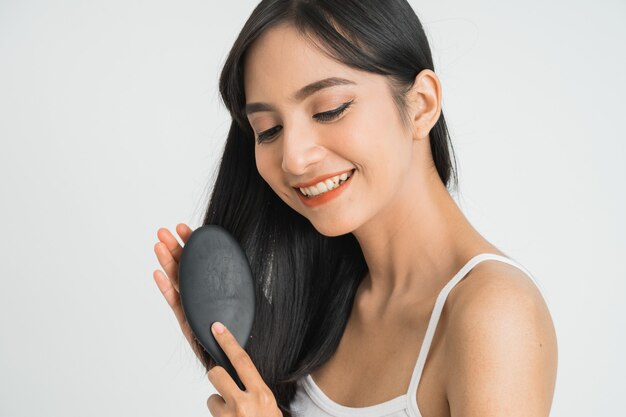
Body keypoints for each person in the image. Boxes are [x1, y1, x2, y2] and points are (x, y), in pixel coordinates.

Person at [152, 1, 558, 416]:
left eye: (329, 109)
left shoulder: (494, 314)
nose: (293, 157)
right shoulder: (321, 305)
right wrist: (240, 372)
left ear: (421, 104)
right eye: (268, 130)